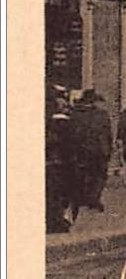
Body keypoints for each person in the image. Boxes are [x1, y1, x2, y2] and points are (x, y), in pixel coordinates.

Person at [67, 88, 112, 217]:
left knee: (84, 174)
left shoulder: (75, 114)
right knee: (99, 175)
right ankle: (93, 199)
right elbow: (108, 134)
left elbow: (71, 134)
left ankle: (84, 198)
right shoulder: (102, 114)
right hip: (99, 151)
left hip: (81, 150)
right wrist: (108, 150)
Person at [46, 86, 74, 234]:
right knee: (58, 192)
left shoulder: (49, 121)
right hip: (59, 163)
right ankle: (56, 222)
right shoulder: (63, 124)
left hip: (53, 162)